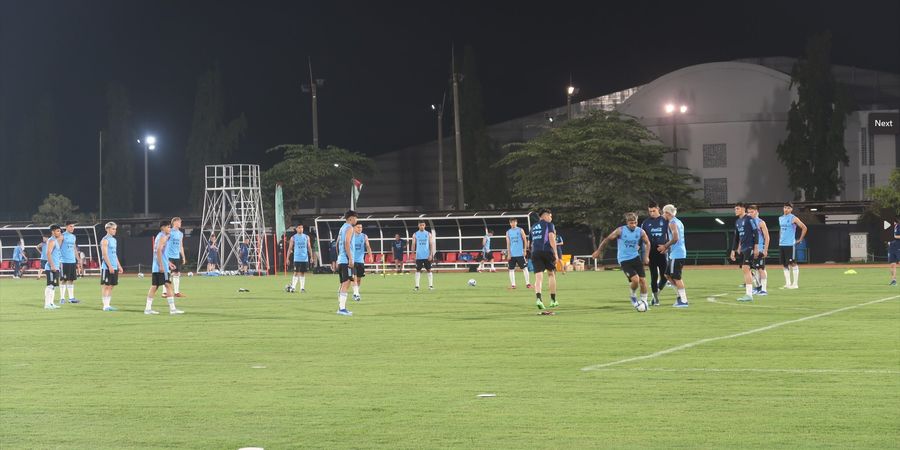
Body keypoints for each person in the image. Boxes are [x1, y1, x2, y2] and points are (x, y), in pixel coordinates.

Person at [593, 212, 652, 311]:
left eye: (635, 223)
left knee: (643, 281)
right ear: (627, 222)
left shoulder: (640, 231)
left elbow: (647, 243)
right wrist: (598, 251)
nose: (633, 225)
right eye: (631, 223)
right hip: (624, 259)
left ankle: (644, 302)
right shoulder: (620, 231)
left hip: (635, 257)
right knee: (635, 280)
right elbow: (607, 239)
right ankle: (633, 295)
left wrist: (646, 256)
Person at [145, 220, 183, 315]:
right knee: (168, 285)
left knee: (155, 286)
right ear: (163, 228)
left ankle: (148, 308)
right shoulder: (163, 237)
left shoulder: (159, 236)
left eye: (170, 227)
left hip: (157, 266)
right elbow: (158, 251)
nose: (170, 228)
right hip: (161, 267)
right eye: (168, 227)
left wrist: (168, 262)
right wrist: (162, 265)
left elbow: (160, 252)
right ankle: (172, 309)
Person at [658, 204, 688, 307]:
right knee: (667, 275)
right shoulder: (678, 221)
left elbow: (675, 238)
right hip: (676, 253)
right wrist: (668, 249)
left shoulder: (672, 223)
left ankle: (683, 300)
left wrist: (665, 247)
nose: (662, 214)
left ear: (667, 213)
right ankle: (680, 296)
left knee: (676, 277)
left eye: (663, 212)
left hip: (678, 254)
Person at [530, 209, 560, 309]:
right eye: (550, 216)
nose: (551, 218)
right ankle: (553, 300)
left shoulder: (533, 227)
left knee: (538, 277)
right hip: (547, 251)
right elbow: (551, 237)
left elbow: (531, 242)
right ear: (545, 216)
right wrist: (556, 254)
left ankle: (538, 298)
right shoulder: (549, 225)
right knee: (551, 274)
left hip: (535, 252)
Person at [730, 203, 759, 302]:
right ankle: (751, 291)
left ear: (743, 209)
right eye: (735, 209)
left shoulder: (749, 219)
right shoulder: (738, 221)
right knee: (745, 270)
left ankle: (749, 295)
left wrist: (756, 247)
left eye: (737, 209)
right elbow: (736, 237)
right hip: (743, 249)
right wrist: (733, 250)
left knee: (746, 268)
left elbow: (756, 233)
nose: (735, 210)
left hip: (749, 247)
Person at [641, 202, 669, 306]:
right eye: (650, 211)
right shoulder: (645, 223)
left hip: (662, 251)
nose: (652, 213)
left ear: (658, 209)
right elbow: (642, 238)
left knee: (665, 276)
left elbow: (669, 235)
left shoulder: (665, 220)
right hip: (651, 252)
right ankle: (655, 298)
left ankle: (656, 292)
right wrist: (644, 254)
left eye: (654, 211)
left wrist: (667, 247)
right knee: (654, 276)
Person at [778, 202, 808, 289]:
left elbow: (804, 227)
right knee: (784, 264)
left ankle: (795, 284)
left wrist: (800, 239)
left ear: (791, 209)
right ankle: (788, 283)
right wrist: (780, 239)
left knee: (792, 262)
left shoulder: (793, 218)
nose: (786, 209)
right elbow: (781, 229)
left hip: (790, 244)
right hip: (782, 244)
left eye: (788, 208)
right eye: (785, 207)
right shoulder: (780, 218)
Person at [335, 210, 358, 316]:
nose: (356, 220)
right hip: (346, 260)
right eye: (355, 218)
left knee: (343, 283)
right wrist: (350, 258)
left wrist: (339, 257)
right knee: (346, 283)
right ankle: (342, 309)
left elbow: (337, 244)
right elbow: (346, 243)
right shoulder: (349, 228)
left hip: (341, 259)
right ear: (350, 218)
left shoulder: (342, 228)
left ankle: (341, 307)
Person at [99, 221, 123, 311]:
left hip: (114, 266)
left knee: (111, 286)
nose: (115, 231)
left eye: (115, 229)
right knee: (106, 286)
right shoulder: (105, 240)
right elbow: (104, 255)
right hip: (107, 267)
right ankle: (105, 306)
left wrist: (119, 265)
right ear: (108, 229)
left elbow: (114, 254)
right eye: (113, 229)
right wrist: (109, 266)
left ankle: (108, 305)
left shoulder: (114, 240)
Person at [748, 205, 770, 296]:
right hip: (750, 250)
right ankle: (757, 287)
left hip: (759, 249)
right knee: (753, 269)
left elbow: (767, 237)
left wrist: (765, 250)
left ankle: (764, 290)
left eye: (752, 212)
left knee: (760, 269)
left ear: (757, 212)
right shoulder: (748, 222)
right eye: (748, 212)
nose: (749, 214)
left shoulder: (761, 222)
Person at [286, 224, 314, 293]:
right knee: (295, 273)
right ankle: (293, 288)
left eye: (302, 228)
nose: (301, 229)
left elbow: (309, 247)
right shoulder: (293, 238)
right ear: (296, 229)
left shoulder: (306, 237)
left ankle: (302, 288)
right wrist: (287, 258)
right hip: (296, 258)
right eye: (299, 228)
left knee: (302, 273)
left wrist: (311, 257)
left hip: (304, 258)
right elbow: (290, 248)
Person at [58, 221, 81, 304]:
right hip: (64, 261)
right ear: (66, 227)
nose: (72, 228)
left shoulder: (73, 236)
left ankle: (71, 298)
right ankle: (62, 298)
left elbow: (74, 248)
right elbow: (58, 247)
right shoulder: (62, 236)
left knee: (71, 279)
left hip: (72, 261)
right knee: (63, 279)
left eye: (73, 226)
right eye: (71, 226)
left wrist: (78, 259)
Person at [505, 217, 531, 289]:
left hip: (520, 253)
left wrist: (525, 250)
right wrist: (509, 253)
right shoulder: (508, 232)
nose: (513, 223)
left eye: (514, 222)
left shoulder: (520, 230)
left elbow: (525, 240)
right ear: (510, 223)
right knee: (511, 269)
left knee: (525, 268)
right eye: (511, 222)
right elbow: (508, 243)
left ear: (516, 222)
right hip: (512, 254)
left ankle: (528, 284)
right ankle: (513, 285)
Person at [165, 217, 188, 297]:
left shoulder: (180, 234)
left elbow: (181, 246)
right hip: (169, 256)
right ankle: (165, 292)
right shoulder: (169, 231)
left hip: (176, 256)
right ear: (175, 222)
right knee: (167, 273)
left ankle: (176, 292)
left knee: (177, 273)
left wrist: (183, 257)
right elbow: (164, 242)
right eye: (179, 222)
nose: (181, 223)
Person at [43, 225, 63, 310]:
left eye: (60, 231)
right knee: (50, 285)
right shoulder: (51, 241)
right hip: (51, 267)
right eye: (58, 231)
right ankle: (47, 304)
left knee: (54, 286)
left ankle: (51, 303)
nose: (60, 232)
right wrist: (52, 265)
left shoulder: (55, 241)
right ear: (53, 232)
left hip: (56, 266)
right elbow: (48, 253)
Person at [411, 220, 434, 291]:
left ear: (425, 226)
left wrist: (431, 255)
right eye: (420, 225)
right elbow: (413, 244)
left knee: (429, 270)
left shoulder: (428, 234)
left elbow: (431, 244)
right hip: (419, 256)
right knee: (418, 270)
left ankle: (430, 286)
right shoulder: (415, 234)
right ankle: (417, 286)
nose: (422, 226)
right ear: (418, 226)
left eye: (423, 225)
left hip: (427, 255)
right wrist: (413, 254)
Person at [352, 223, 372, 301]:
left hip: (360, 261)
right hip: (352, 260)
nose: (360, 228)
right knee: (354, 278)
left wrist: (370, 256)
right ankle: (356, 294)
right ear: (354, 228)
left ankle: (356, 291)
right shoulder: (350, 236)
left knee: (359, 279)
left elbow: (367, 246)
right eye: (358, 227)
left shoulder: (364, 236)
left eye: (361, 227)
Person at [889, 216, 899, 286]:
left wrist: (894, 236)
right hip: (891, 247)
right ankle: (893, 280)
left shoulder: (899, 226)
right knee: (892, 265)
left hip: (898, 247)